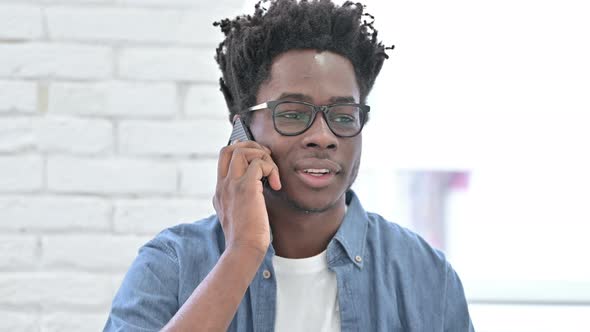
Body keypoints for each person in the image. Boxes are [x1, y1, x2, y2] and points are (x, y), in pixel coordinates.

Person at [103, 0, 475, 331]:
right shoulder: (173, 264)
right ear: (241, 130)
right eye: (294, 113)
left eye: (343, 116)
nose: (323, 136)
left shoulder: (425, 275)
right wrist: (243, 251)